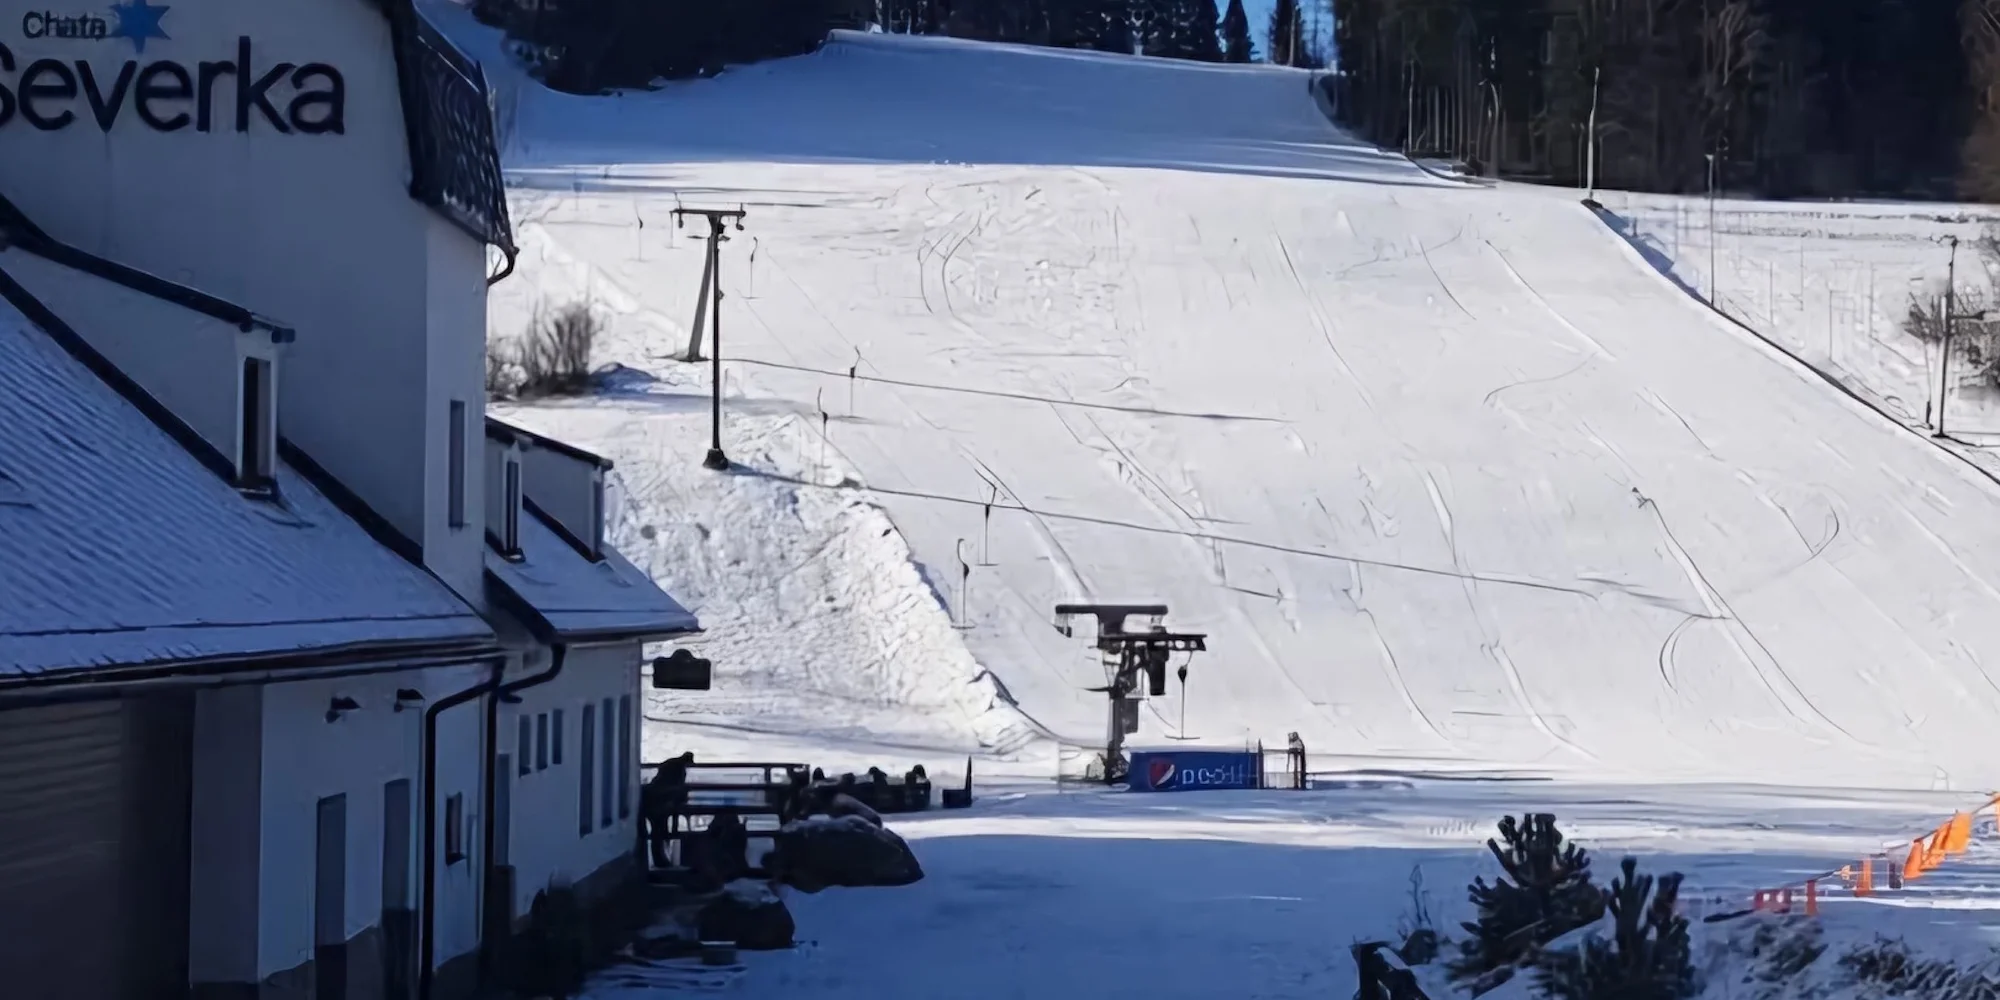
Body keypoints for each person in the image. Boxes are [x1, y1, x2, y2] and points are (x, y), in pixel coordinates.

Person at [642, 751, 695, 868]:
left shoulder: (670, 764)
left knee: (657, 833)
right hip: (660, 804)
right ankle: (660, 860)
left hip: (653, 801)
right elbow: (678, 788)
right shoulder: (679, 770)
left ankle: (658, 860)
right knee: (659, 832)